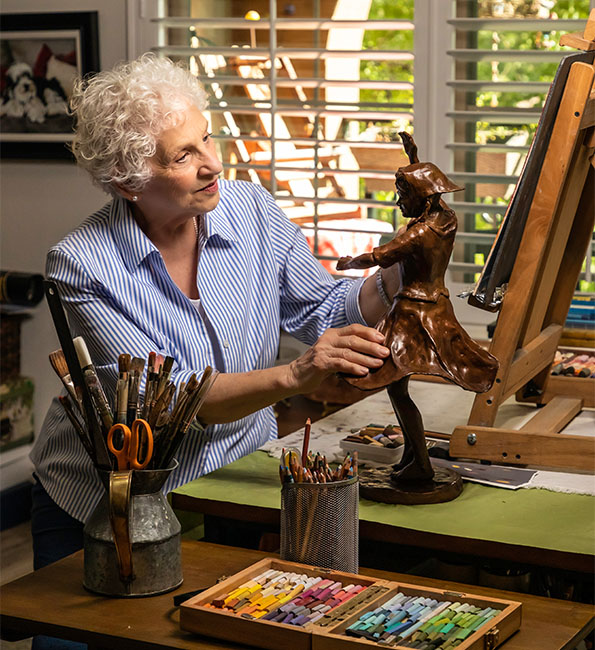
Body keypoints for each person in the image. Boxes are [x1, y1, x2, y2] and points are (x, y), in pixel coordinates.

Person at [29, 52, 398, 645]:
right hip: (107, 505)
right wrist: (297, 373)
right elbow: (170, 403)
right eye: (184, 155)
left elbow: (324, 309)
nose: (213, 165)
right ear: (129, 181)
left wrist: (402, 273)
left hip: (229, 487)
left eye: (207, 138)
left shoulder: (252, 211)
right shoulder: (82, 263)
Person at [337, 132, 498, 483]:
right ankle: (414, 457)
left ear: (419, 199)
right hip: (435, 307)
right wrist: (414, 157)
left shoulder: (417, 234)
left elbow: (381, 256)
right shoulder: (445, 219)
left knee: (394, 384)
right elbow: (427, 195)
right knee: (398, 384)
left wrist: (348, 263)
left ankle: (420, 461)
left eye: (401, 196)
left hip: (413, 314)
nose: (397, 203)